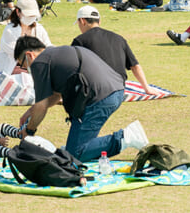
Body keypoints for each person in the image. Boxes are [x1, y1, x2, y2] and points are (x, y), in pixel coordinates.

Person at [15, 37, 148, 162]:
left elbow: (41, 105)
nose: (26, 70)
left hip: (99, 98)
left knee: (76, 153)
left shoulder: (40, 62)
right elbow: (56, 96)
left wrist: (29, 130)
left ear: (29, 55)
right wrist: (31, 112)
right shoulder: (55, 53)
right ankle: (77, 147)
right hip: (115, 90)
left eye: (23, 65)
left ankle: (126, 137)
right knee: (75, 148)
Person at [72, 5, 152, 94]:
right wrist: (147, 89)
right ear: (99, 21)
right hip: (119, 89)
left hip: (97, 89)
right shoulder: (119, 38)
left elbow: (71, 68)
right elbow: (135, 66)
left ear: (82, 21)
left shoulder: (80, 40)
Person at [0, 0, 52, 83]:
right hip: (14, 70)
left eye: (33, 15)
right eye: (28, 15)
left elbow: (48, 47)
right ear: (18, 12)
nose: (31, 18)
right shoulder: (10, 31)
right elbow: (18, 54)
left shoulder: (39, 29)